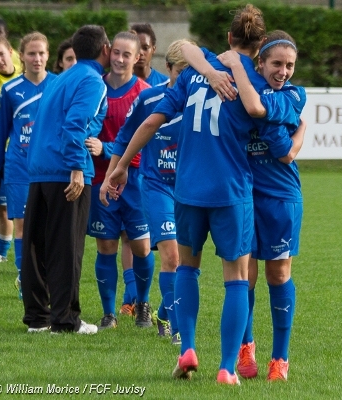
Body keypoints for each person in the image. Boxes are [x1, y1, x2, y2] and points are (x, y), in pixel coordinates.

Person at [106, 4, 302, 385]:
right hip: (231, 193)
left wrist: (120, 165)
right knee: (236, 278)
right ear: (261, 48)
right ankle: (228, 368)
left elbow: (152, 118)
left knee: (186, 269)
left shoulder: (195, 73)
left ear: (229, 39)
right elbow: (260, 112)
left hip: (187, 191)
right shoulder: (258, 84)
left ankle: (188, 348)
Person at [211, 31, 306, 381]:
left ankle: (280, 359)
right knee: (244, 277)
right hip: (243, 196)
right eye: (276, 64)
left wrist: (290, 139)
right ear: (260, 63)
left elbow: (280, 148)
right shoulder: (240, 90)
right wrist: (295, 135)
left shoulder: (296, 94)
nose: (283, 71)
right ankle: (246, 347)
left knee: (278, 274)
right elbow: (279, 139)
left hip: (282, 198)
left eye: (289, 65)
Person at [22, 24, 111, 334]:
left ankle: (37, 318)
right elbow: (75, 124)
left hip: (39, 169)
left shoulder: (61, 78)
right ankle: (66, 320)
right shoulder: (92, 81)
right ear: (105, 50)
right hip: (66, 170)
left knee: (37, 246)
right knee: (67, 247)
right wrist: (76, 166)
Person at [104, 38, 194, 343]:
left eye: (194, 71)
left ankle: (165, 314)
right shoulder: (148, 100)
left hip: (192, 190)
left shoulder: (203, 104)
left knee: (186, 261)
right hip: (156, 188)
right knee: (172, 258)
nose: (189, 78)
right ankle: (179, 332)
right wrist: (114, 174)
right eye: (182, 71)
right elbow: (124, 137)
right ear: (168, 68)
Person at [84, 31, 154, 330]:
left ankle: (142, 305)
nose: (120, 59)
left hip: (136, 181)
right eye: (116, 52)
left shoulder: (145, 93)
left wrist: (107, 149)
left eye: (127, 54)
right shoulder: (94, 88)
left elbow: (147, 141)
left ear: (138, 57)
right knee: (106, 247)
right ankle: (108, 313)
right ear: (108, 52)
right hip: (102, 182)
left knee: (141, 247)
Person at [0, 32, 57, 300]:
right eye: (32, 53)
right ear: (22, 56)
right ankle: (25, 278)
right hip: (19, 168)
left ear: (48, 55)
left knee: (49, 226)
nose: (37, 58)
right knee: (22, 226)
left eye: (41, 53)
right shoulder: (10, 90)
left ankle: (48, 277)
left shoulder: (58, 85)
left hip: (52, 168)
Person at [0, 33, 20, 266]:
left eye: (1, 54)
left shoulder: (23, 80)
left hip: (17, 155)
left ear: (10, 53)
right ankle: (1, 252)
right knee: (0, 206)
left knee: (7, 207)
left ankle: (3, 253)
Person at [130, 23, 169, 87]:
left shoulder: (165, 83)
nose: (141, 52)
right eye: (136, 47)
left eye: (145, 48)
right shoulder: (121, 83)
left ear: (153, 50)